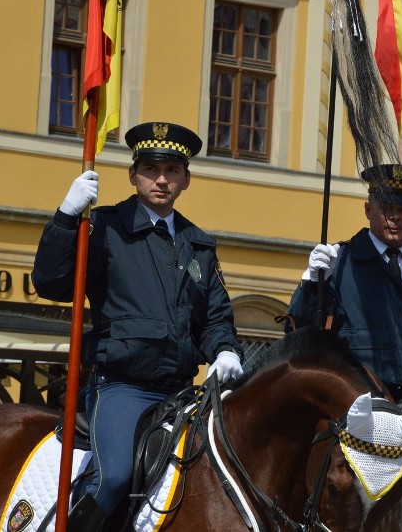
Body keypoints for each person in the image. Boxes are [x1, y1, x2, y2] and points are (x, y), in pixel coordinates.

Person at [32, 122, 244, 531]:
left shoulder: (199, 245)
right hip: (124, 386)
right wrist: (65, 218)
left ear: (186, 178)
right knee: (113, 479)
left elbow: (215, 317)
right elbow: (52, 283)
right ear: (133, 175)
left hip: (183, 391)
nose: (160, 179)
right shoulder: (106, 228)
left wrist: (225, 350)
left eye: (171, 170)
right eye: (150, 168)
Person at [284, 164, 402, 402]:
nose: (394, 217)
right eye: (386, 208)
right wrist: (313, 282)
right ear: (368, 210)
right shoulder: (339, 264)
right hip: (354, 406)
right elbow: (299, 333)